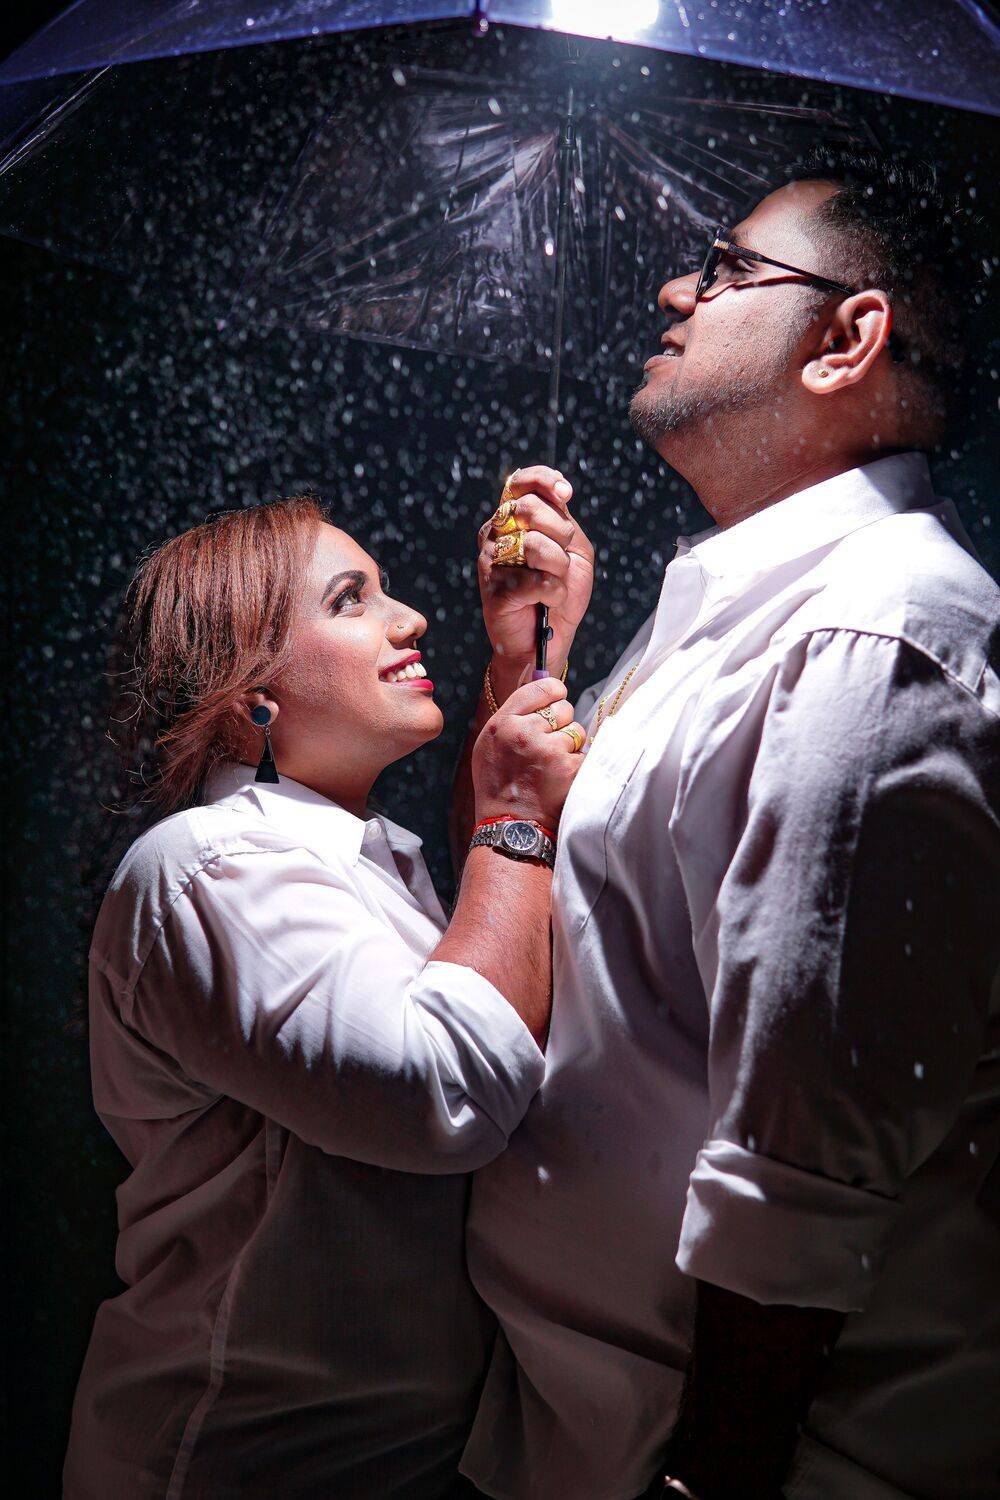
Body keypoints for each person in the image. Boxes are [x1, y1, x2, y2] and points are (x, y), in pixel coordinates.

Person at [451, 148, 1000, 1500]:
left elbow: (798, 1181)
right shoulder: (723, 611)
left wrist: (706, 1485)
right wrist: (531, 655)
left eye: (726, 267)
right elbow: (562, 908)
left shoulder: (873, 637)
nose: (673, 291)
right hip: (569, 1441)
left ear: (846, 339)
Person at [63, 494, 587, 1500]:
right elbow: (447, 1090)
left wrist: (526, 655)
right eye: (351, 600)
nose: (411, 618)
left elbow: (489, 973)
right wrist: (516, 812)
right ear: (252, 698)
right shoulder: (210, 868)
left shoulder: (360, 867)